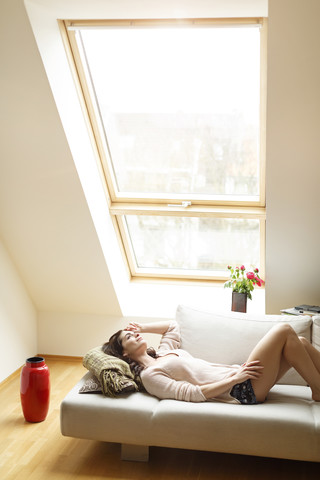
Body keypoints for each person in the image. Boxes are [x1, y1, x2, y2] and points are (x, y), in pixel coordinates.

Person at [102, 320, 320, 404]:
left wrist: (142, 327)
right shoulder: (149, 376)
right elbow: (193, 394)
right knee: (283, 330)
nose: (135, 336)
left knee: (298, 342)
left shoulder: (162, 353)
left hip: (243, 376)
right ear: (125, 355)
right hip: (240, 389)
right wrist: (234, 379)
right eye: (128, 338)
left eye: (132, 333)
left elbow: (172, 327)